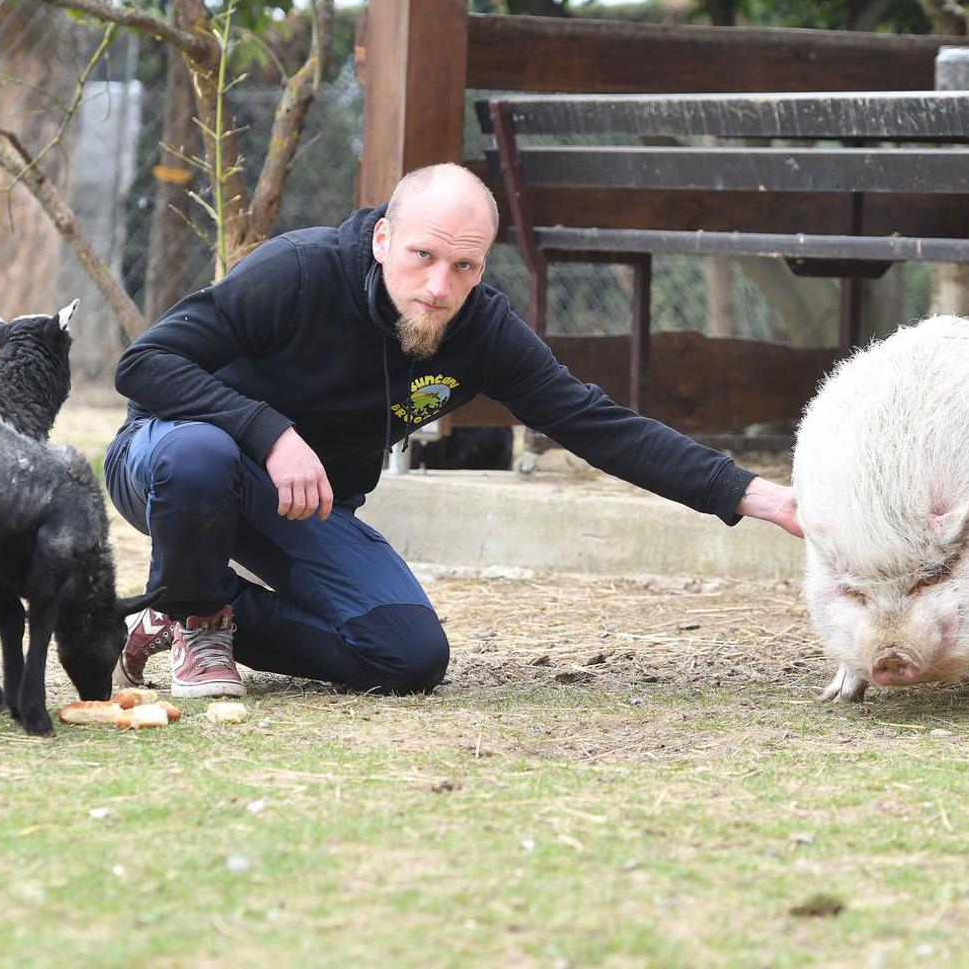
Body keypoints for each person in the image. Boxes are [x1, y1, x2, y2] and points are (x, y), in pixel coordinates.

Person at [103, 163, 802, 699]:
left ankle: (194, 610)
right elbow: (146, 363)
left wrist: (760, 498)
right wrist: (270, 432)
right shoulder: (301, 272)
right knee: (202, 450)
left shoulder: (480, 331)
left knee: (407, 657)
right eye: (423, 257)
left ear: (483, 264)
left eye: (464, 266)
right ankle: (194, 615)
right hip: (169, 464)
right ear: (383, 239)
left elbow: (595, 423)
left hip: (299, 504)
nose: (440, 286)